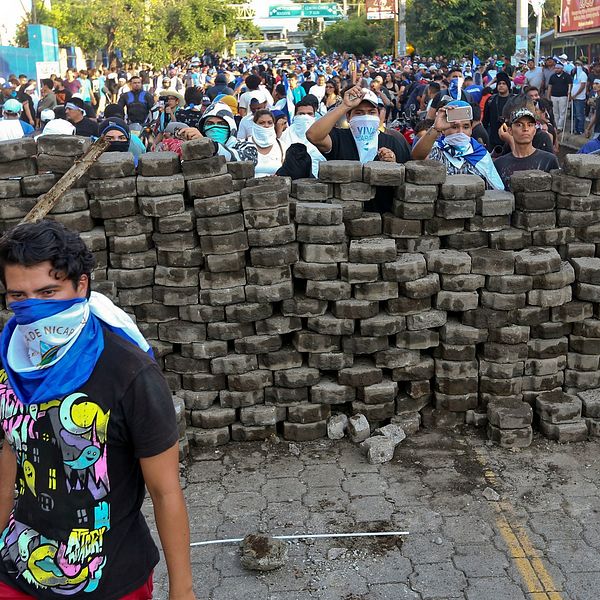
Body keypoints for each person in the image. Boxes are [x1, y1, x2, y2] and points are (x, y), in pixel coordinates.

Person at [0, 220, 195, 600]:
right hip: (17, 570)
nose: (32, 309)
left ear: (82, 286)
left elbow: (165, 490)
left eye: (48, 292)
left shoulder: (130, 373)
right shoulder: (9, 361)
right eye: (18, 296)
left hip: (110, 580)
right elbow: (9, 451)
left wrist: (183, 591)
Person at [412, 99, 504, 190]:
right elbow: (417, 157)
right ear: (444, 130)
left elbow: (495, 190)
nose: (460, 132)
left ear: (471, 129)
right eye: (454, 127)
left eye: (466, 127)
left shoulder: (481, 155)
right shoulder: (436, 149)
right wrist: (436, 128)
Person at [493, 107, 559, 190]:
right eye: (519, 125)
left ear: (534, 130)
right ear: (510, 130)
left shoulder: (548, 160)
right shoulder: (500, 164)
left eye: (530, 125)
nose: (525, 129)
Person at [280, 99, 326, 178]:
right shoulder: (285, 136)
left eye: (309, 114)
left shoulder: (323, 136)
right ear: (295, 116)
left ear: (314, 116)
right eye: (301, 114)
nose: (305, 117)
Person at [251, 109, 288, 177]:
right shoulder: (243, 144)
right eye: (262, 123)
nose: (266, 125)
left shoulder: (282, 146)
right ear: (255, 124)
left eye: (270, 122)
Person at [482, 72, 513, 151]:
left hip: (511, 139)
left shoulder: (514, 100)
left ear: (508, 85)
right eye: (499, 83)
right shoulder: (491, 100)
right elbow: (485, 120)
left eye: (504, 83)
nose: (501, 85)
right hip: (493, 139)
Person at [547, 61, 572, 133]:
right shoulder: (553, 76)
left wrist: (569, 95)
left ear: (562, 68)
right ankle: (556, 125)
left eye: (558, 68)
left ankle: (560, 127)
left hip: (563, 96)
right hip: (554, 96)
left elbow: (569, 85)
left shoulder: (567, 76)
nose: (556, 70)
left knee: (562, 112)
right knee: (555, 112)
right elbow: (550, 86)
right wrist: (548, 96)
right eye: (555, 68)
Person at [571, 60, 588, 135]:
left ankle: (580, 129)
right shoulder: (575, 75)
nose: (577, 66)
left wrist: (575, 95)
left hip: (580, 98)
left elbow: (582, 86)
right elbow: (574, 85)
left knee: (580, 115)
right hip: (574, 98)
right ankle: (576, 129)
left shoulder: (583, 74)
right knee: (575, 114)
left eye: (579, 64)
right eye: (576, 64)